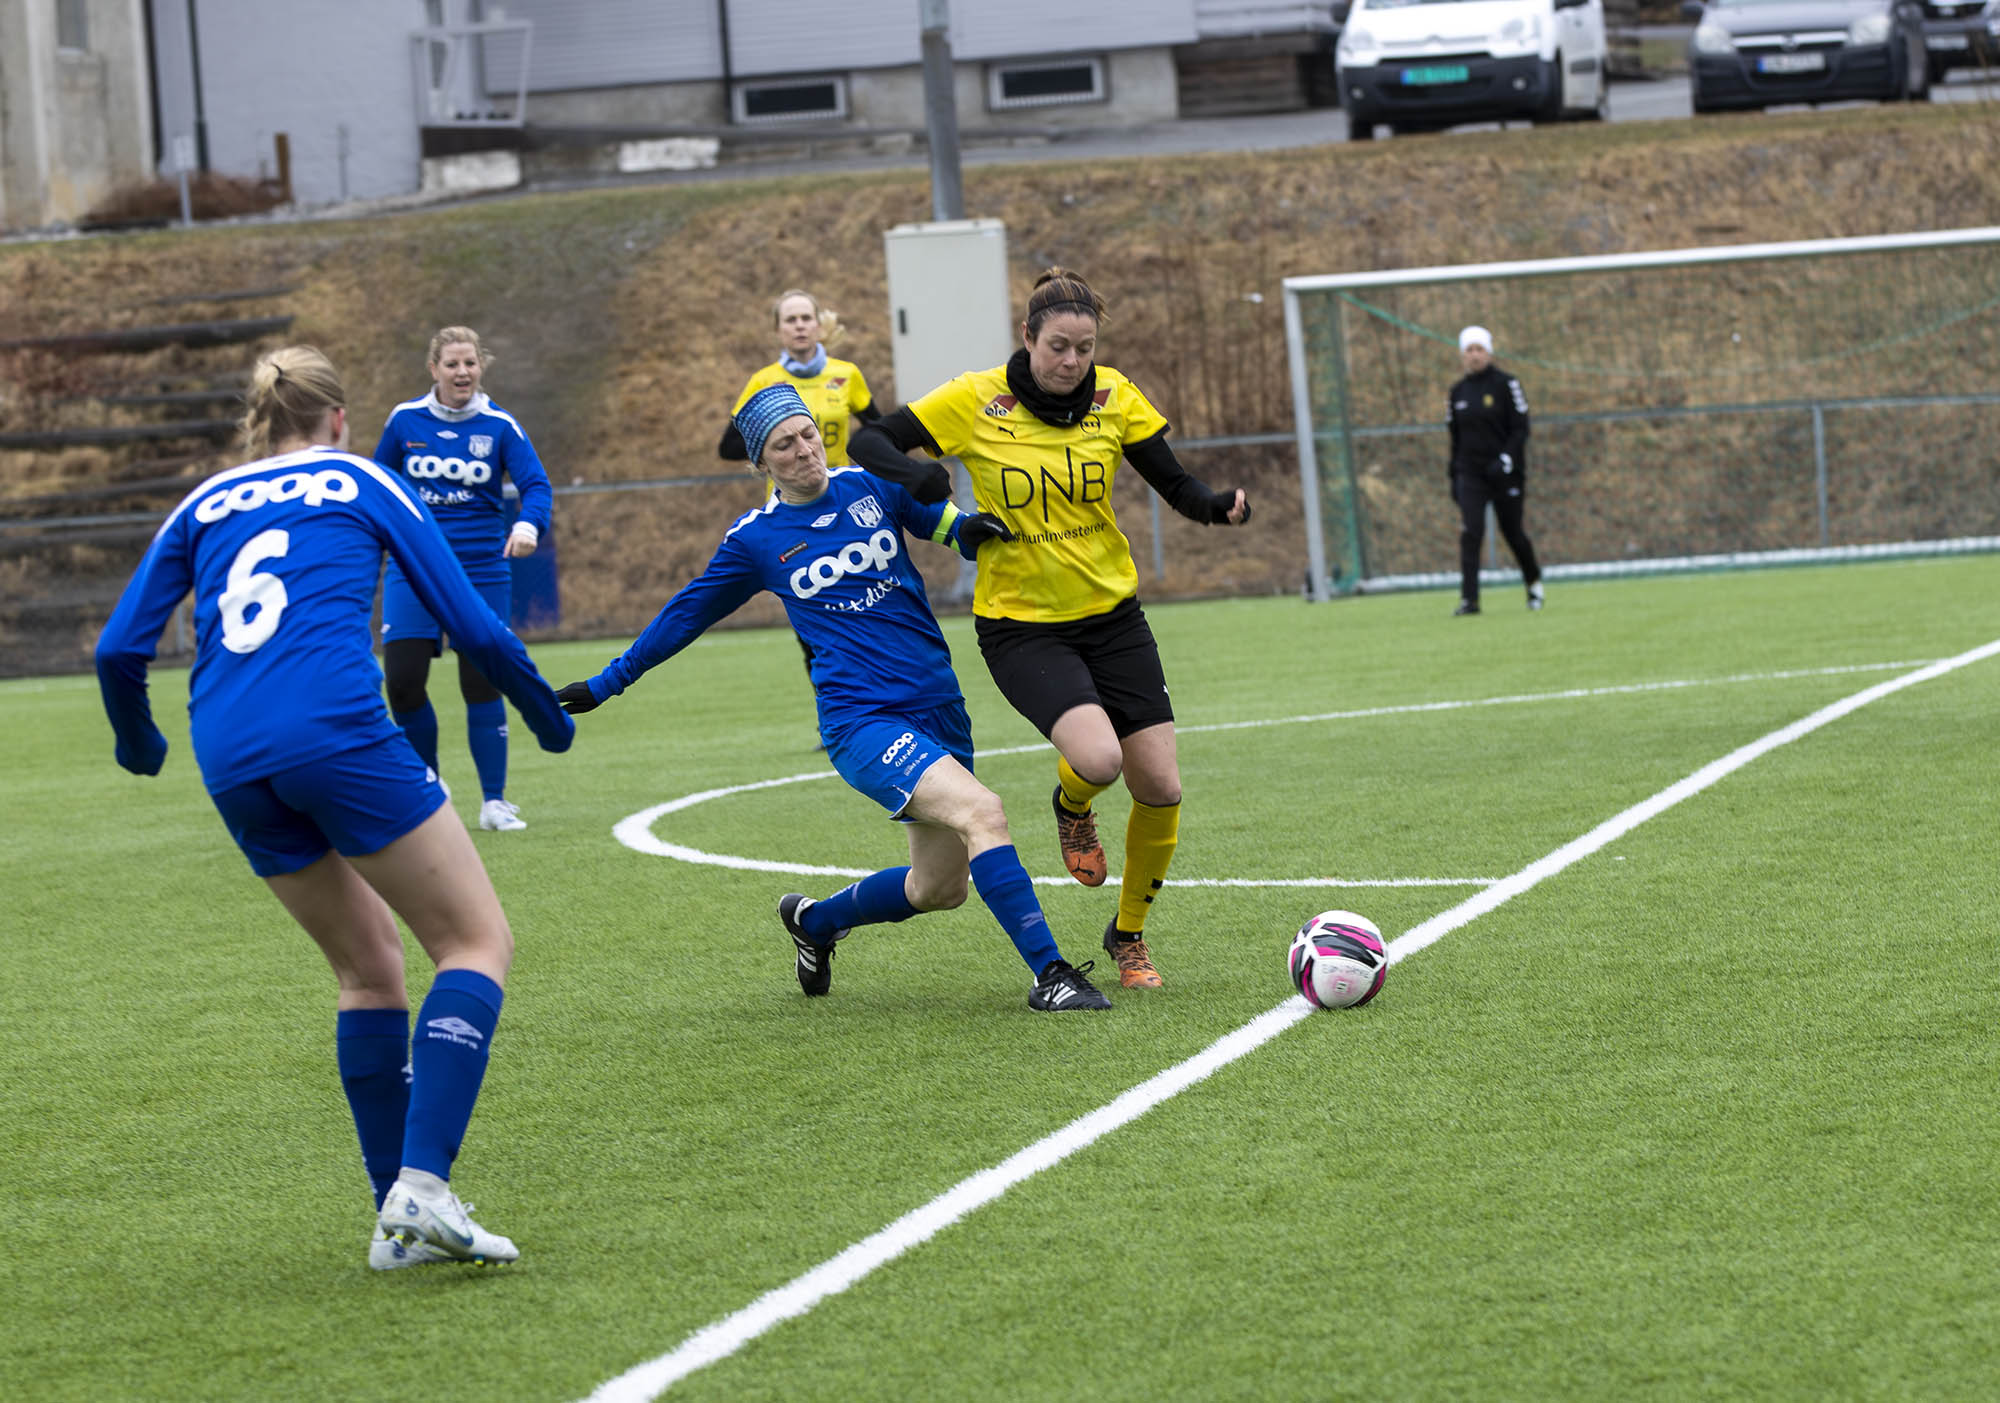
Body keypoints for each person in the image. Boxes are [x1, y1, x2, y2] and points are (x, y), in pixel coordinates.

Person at [94, 346, 575, 1272]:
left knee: (367, 971)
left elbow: (120, 649)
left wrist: (139, 745)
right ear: (341, 421)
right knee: (476, 943)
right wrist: (544, 713)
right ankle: (425, 1185)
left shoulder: (202, 503)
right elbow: (471, 621)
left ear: (258, 421)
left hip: (227, 751)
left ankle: (395, 1221)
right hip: (335, 733)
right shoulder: (359, 476)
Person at [558, 382, 1111, 1013]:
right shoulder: (755, 540)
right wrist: (606, 684)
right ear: (760, 464)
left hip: (939, 705)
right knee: (983, 813)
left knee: (939, 889)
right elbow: (682, 617)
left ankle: (816, 923)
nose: (804, 451)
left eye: (807, 434)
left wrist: (972, 531)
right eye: (783, 445)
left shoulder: (868, 485)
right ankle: (1052, 975)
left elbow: (937, 521)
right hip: (864, 721)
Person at [849, 267, 1253, 992]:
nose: (1072, 362)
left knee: (1159, 784)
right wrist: (919, 479)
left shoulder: (1114, 395)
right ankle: (1073, 804)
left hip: (1114, 616)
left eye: (1085, 347)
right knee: (1099, 761)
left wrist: (1216, 505)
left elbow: (1177, 486)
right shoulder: (977, 399)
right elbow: (872, 441)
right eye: (1058, 346)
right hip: (1022, 627)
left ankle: (1128, 936)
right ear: (1027, 337)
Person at [718, 288, 948, 743]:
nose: (800, 325)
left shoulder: (847, 375)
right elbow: (728, 445)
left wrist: (891, 472)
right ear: (778, 330)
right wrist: (774, 449)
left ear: (820, 324)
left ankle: (893, 704)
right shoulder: (764, 382)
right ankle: (842, 712)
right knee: (818, 624)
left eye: (807, 317)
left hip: (850, 505)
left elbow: (882, 431)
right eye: (790, 319)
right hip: (794, 519)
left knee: (880, 604)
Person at [373, 326, 554, 830]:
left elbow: (536, 485)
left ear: (481, 367)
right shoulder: (404, 420)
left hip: (481, 568)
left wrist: (526, 523)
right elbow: (377, 483)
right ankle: (427, 790)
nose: (462, 373)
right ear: (433, 369)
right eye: (452, 364)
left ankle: (494, 802)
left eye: (470, 363)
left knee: (480, 679)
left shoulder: (500, 426)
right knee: (403, 682)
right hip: (414, 567)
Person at [1446, 325, 1544, 616]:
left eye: (1479, 349)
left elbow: (1520, 428)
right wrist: (1454, 475)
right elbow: (1455, 437)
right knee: (1471, 532)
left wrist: (1506, 459)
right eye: (1469, 350)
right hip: (1471, 473)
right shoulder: (1457, 393)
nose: (1474, 356)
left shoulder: (1506, 385)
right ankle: (1470, 600)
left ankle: (1533, 583)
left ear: (1489, 352)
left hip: (1504, 472)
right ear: (1462, 355)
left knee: (1512, 531)